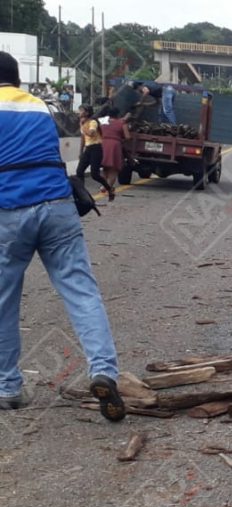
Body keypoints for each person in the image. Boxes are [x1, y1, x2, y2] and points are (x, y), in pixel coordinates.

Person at [0, 51, 124, 420]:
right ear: (18, 80)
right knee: (81, 290)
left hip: (9, 210)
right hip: (57, 206)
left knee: (5, 301)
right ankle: (103, 370)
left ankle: (8, 386)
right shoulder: (41, 106)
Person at [75, 105, 114, 197]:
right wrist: (80, 152)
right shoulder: (83, 123)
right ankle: (82, 192)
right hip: (88, 149)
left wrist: (82, 126)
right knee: (79, 171)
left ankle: (109, 189)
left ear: (87, 113)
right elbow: (83, 138)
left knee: (94, 174)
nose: (79, 113)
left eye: (81, 111)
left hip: (96, 148)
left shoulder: (92, 122)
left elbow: (91, 134)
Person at [100, 108, 130, 198]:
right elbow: (128, 136)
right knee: (114, 169)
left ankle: (103, 185)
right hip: (115, 145)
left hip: (103, 144)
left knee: (105, 168)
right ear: (117, 115)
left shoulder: (103, 122)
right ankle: (108, 187)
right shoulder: (121, 123)